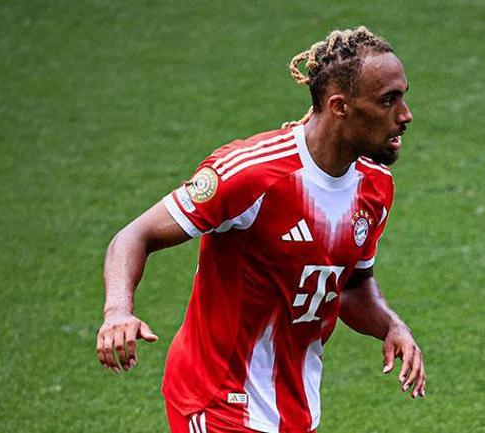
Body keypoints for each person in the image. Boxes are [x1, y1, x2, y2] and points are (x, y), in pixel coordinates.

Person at [96, 26, 426, 433]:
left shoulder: (374, 186)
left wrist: (391, 325)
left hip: (294, 407)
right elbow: (135, 235)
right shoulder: (251, 175)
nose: (405, 115)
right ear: (339, 107)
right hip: (217, 402)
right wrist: (117, 312)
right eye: (388, 100)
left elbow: (351, 286)